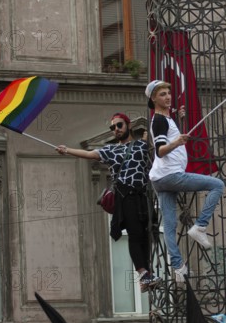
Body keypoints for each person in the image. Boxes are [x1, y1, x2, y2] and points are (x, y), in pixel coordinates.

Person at [55, 112, 160, 292]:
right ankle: (143, 273)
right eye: (113, 127)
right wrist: (67, 150)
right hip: (125, 196)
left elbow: (160, 142)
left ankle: (146, 278)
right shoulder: (111, 150)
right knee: (134, 234)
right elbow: (89, 154)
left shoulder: (142, 145)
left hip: (143, 196)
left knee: (147, 234)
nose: (116, 130)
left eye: (119, 125)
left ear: (128, 126)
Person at [145, 79, 224, 283]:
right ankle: (200, 226)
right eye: (162, 94)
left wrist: (180, 124)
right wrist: (177, 141)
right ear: (153, 98)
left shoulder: (166, 119)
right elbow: (161, 151)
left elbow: (171, 140)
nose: (168, 97)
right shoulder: (159, 120)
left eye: (168, 93)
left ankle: (178, 267)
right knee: (217, 184)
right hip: (170, 175)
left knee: (170, 226)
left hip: (160, 179)